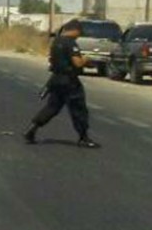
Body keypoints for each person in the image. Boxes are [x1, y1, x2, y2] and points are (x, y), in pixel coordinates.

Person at [24, 19, 100, 148]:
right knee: (78, 109)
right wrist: (86, 59)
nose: (79, 35)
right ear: (75, 30)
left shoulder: (56, 42)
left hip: (56, 80)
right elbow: (77, 62)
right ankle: (83, 137)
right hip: (70, 81)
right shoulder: (71, 43)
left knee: (52, 108)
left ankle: (32, 128)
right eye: (79, 32)